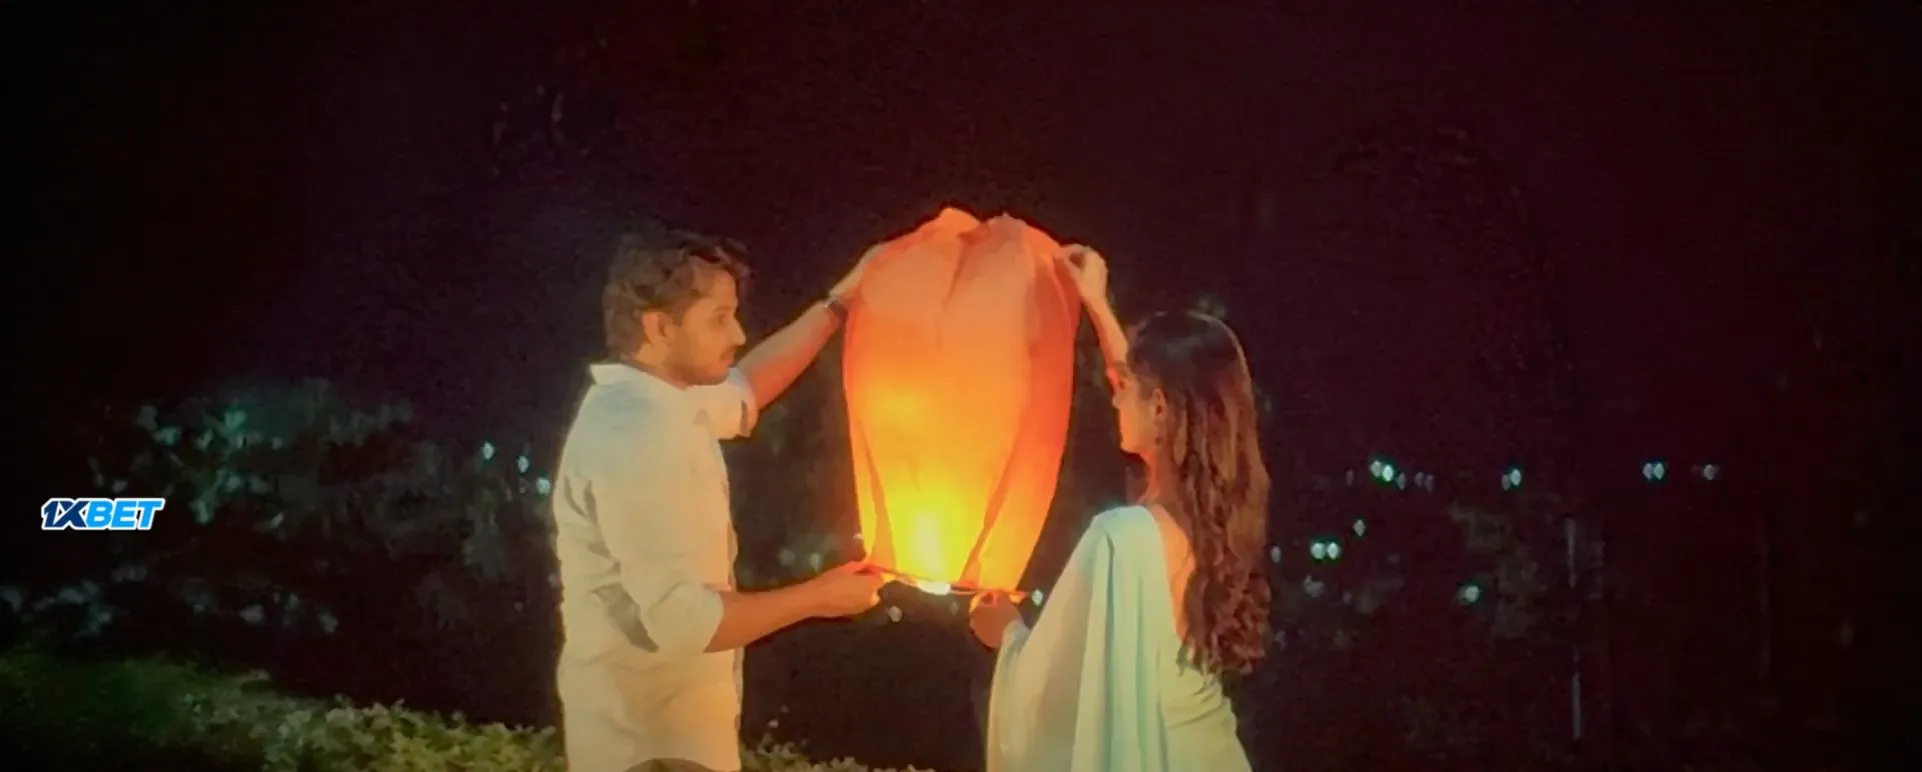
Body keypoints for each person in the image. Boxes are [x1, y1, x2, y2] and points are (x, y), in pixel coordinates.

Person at [552, 229, 889, 772]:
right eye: (718, 319)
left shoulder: (664, 403)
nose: (738, 333)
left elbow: (746, 391)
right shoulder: (636, 437)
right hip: (650, 748)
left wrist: (840, 303)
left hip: (674, 736)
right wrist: (820, 597)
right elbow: (685, 621)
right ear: (659, 327)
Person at [969, 245, 1271, 772]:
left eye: (1124, 389)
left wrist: (1009, 635)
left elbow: (1056, 694)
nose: (1113, 397)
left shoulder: (1122, 537)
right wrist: (1095, 302)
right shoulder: (1220, 516)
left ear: (1160, 408)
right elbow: (1144, 382)